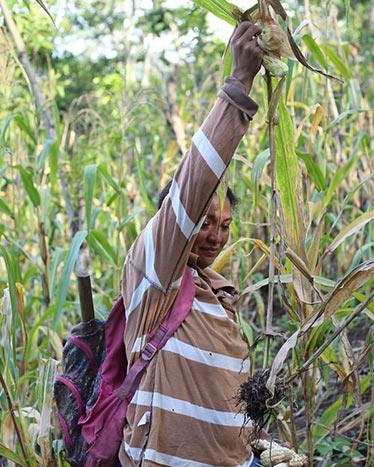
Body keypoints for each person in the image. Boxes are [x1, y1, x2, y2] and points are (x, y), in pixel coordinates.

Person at [118, 21, 264, 466]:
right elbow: (191, 187)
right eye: (205, 221)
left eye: (225, 225)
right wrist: (239, 84)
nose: (216, 235)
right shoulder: (155, 274)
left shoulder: (221, 299)